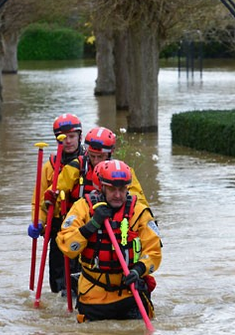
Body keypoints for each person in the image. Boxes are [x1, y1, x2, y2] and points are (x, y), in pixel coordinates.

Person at [57, 160, 162, 322]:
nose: (118, 195)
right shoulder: (82, 208)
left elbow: (153, 251)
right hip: (93, 295)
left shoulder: (140, 212)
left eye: (122, 189)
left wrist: (139, 270)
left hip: (130, 293)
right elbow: (67, 247)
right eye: (112, 189)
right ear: (102, 187)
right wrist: (91, 225)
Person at [28, 113, 84, 293]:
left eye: (72, 137)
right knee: (58, 277)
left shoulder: (89, 163)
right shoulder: (49, 166)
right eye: (62, 138)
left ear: (79, 137)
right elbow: (38, 199)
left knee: (81, 273)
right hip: (58, 225)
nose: (68, 141)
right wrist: (39, 222)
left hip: (82, 226)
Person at [56, 126, 149, 211]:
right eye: (92, 156)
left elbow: (139, 200)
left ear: (110, 153)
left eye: (100, 157)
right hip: (82, 218)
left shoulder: (123, 171)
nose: (96, 161)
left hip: (113, 220)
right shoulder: (76, 167)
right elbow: (57, 191)